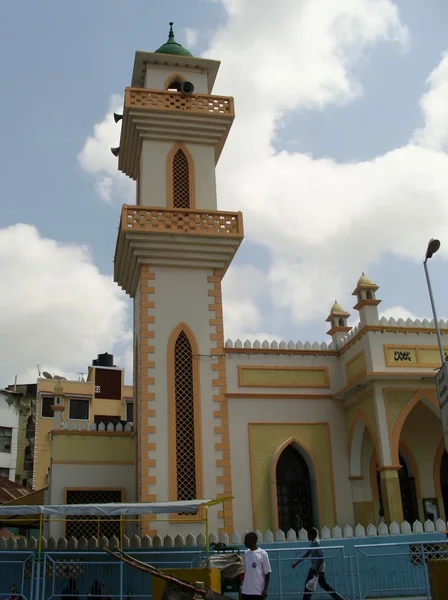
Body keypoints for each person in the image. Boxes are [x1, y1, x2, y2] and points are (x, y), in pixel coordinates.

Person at [292, 527, 344, 600]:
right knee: (322, 585)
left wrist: (317, 572)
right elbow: (307, 554)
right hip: (314, 568)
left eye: (308, 535)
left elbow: (321, 557)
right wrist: (296, 562)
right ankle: (339, 598)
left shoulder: (316, 543)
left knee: (309, 585)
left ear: (313, 535)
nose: (307, 536)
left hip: (317, 569)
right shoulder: (312, 543)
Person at [241, 531, 271, 600]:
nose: (244, 542)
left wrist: (265, 589)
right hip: (246, 591)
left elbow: (267, 573)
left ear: (253, 541)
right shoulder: (246, 553)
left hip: (258, 591)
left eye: (246, 540)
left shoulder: (263, 554)